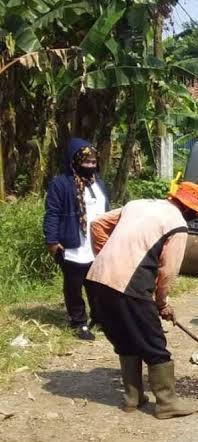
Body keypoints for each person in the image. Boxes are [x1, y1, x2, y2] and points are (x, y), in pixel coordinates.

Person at [85, 182, 198, 419]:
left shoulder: (137, 205)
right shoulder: (177, 225)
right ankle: (166, 404)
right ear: (191, 210)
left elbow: (97, 224)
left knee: (126, 340)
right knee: (154, 345)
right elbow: (168, 271)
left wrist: (106, 256)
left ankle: (132, 398)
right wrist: (162, 303)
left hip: (97, 279)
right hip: (129, 287)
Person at [43, 138, 110, 341]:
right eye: (85, 162)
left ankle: (99, 317)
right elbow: (52, 213)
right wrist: (52, 240)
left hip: (97, 244)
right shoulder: (61, 184)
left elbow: (108, 211)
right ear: (74, 161)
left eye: (93, 162)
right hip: (73, 243)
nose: (90, 166)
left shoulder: (99, 183)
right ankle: (78, 321)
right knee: (74, 285)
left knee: (96, 284)